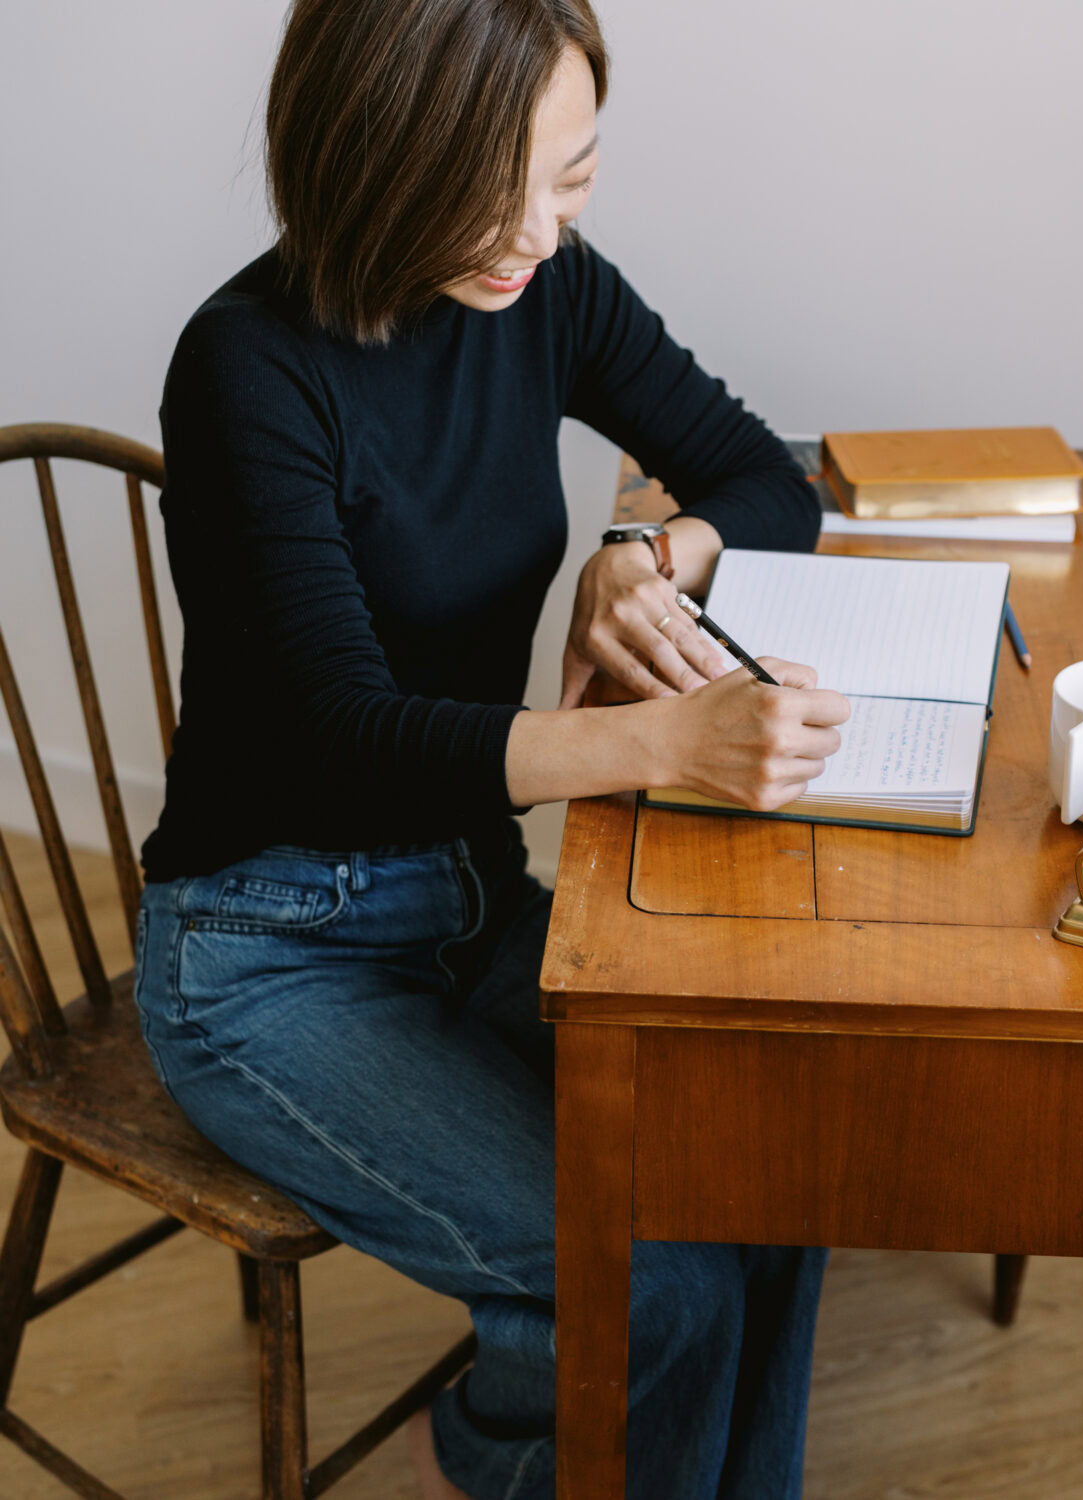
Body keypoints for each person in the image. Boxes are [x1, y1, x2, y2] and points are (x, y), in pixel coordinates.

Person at [132, 2, 851, 1496]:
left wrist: (650, 552)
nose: (530, 231)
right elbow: (346, 737)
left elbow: (758, 469)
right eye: (482, 187)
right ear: (367, 154)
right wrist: (665, 740)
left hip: (461, 904)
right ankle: (515, 1446)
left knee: (775, 1162)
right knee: (656, 1286)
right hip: (271, 954)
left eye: (572, 177)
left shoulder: (548, 288)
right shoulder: (248, 368)